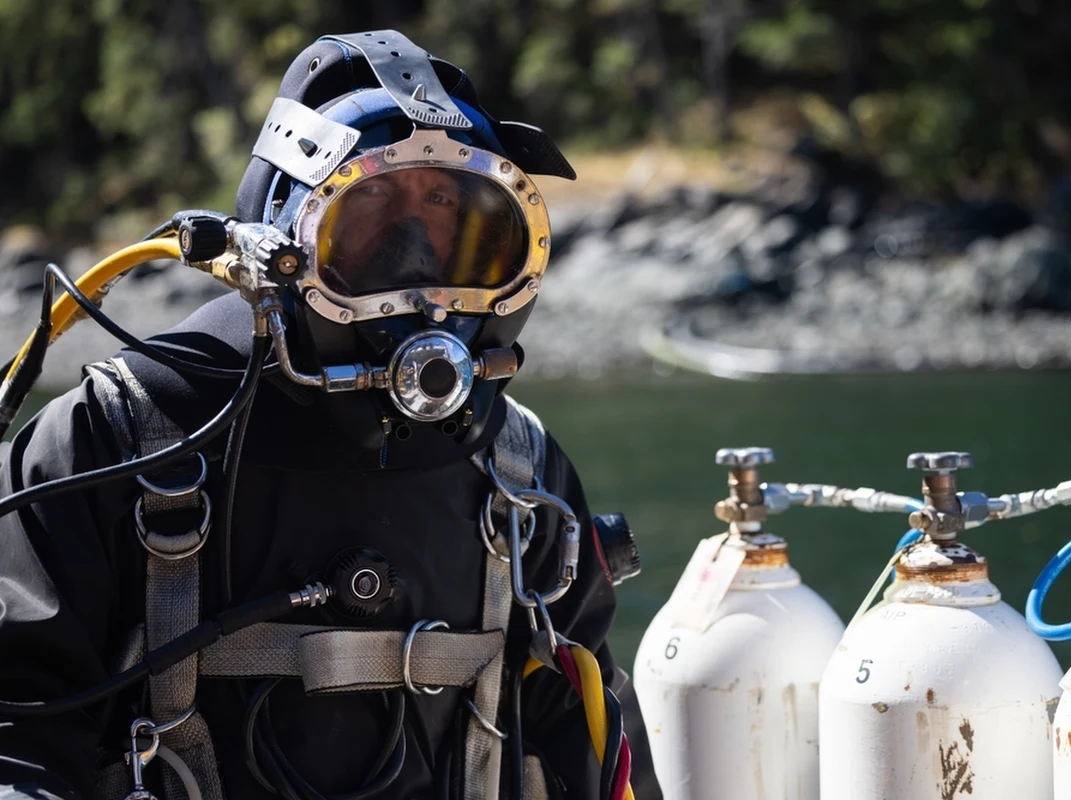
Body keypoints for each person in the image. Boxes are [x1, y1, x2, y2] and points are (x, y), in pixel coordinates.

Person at [0, 28, 661, 800]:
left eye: (445, 204)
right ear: (279, 246)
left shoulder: (518, 473)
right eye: (372, 203)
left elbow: (591, 734)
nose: (415, 252)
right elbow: (19, 736)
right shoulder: (117, 439)